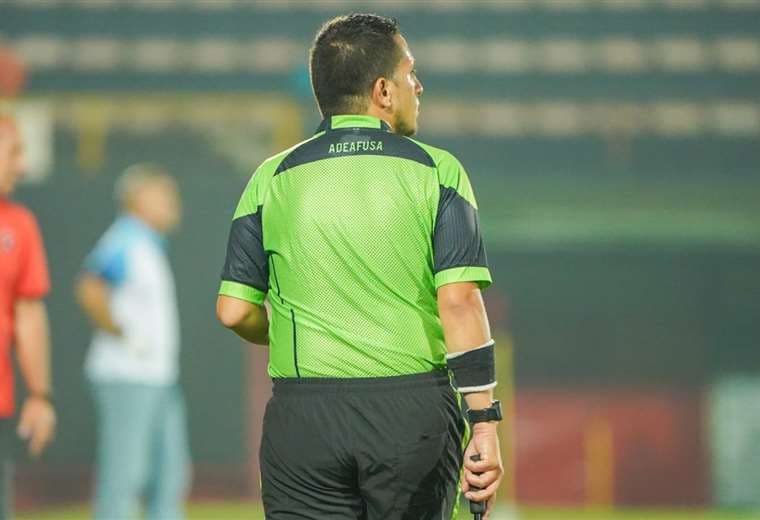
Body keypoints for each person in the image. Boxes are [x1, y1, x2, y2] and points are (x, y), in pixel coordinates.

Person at [216, 13, 503, 519]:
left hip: (303, 418)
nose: (418, 85)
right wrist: (484, 423)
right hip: (411, 413)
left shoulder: (269, 178)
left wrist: (291, 327)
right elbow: (459, 302)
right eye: (409, 72)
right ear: (383, 92)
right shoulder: (439, 172)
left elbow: (234, 311)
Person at [76, 164, 190, 520]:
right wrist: (121, 332)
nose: (174, 204)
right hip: (127, 375)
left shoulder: (147, 244)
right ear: (138, 198)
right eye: (164, 195)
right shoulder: (124, 239)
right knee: (125, 475)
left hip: (157, 376)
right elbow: (89, 287)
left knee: (170, 472)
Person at [0, 114, 55, 520]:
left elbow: (29, 314)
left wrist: (39, 396)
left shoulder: (19, 225)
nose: (22, 165)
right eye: (14, 152)